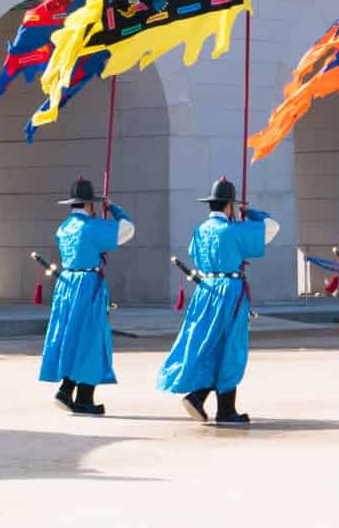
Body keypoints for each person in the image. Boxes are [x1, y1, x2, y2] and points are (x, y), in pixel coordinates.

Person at [158, 177, 276, 426]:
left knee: (209, 344)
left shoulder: (200, 230)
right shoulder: (234, 230)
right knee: (231, 346)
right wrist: (251, 213)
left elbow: (192, 252)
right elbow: (272, 227)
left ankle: (202, 398)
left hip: (206, 290)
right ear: (229, 206)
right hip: (230, 290)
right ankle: (223, 408)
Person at [34, 177, 134, 416]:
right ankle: (80, 395)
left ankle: (71, 391)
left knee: (72, 335)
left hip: (67, 284)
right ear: (90, 204)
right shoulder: (92, 226)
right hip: (88, 284)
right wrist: (112, 209)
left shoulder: (64, 227)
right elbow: (128, 229)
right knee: (91, 337)